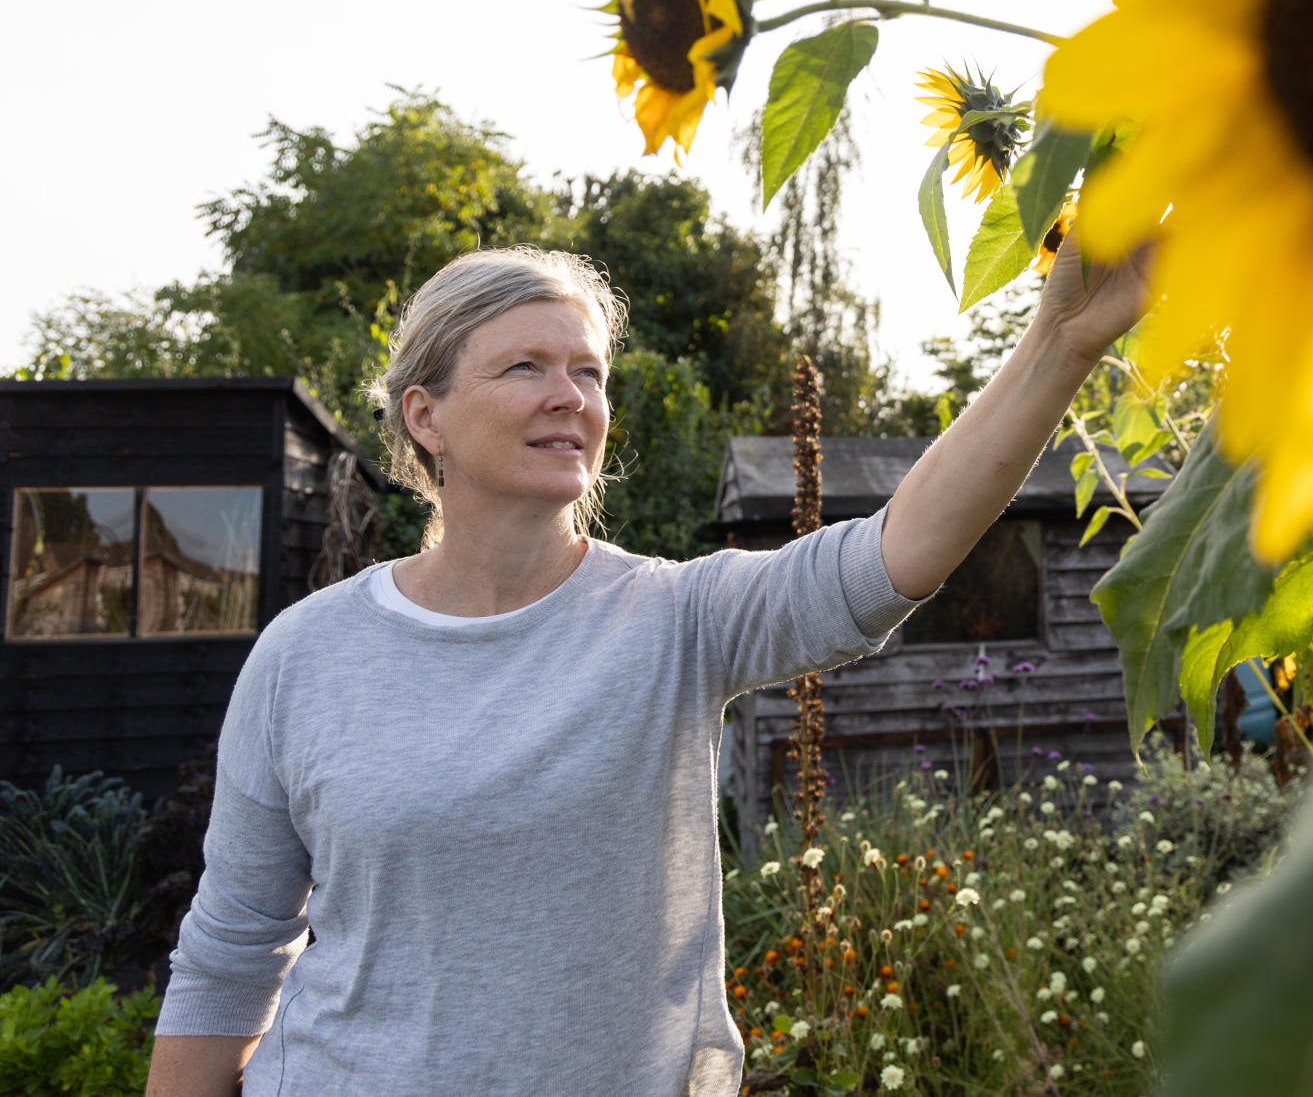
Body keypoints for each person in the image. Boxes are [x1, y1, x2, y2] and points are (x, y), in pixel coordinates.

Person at [145, 237, 1149, 1097]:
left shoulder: (674, 617)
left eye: (589, 372)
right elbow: (234, 942)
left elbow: (899, 550)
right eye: (525, 368)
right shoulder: (306, 654)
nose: (569, 397)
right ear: (424, 416)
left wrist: (1057, 348)